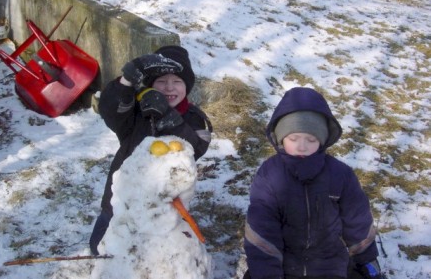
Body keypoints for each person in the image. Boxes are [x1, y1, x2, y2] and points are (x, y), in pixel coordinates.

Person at [243, 87, 387, 279]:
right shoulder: (270, 175)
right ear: (280, 137)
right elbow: (262, 228)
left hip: (330, 265)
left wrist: (367, 261)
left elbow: (357, 221)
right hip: (284, 265)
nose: (302, 146)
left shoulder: (340, 174)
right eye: (293, 138)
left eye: (311, 139)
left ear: (322, 140)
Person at [89, 45, 212, 256]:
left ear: (187, 85)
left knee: (154, 259)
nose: (169, 88)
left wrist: (166, 115)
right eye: (161, 81)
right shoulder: (135, 112)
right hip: (121, 200)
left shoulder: (195, 119)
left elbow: (195, 148)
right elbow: (110, 111)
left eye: (177, 81)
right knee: (101, 248)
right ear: (152, 85)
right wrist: (127, 81)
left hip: (166, 206)